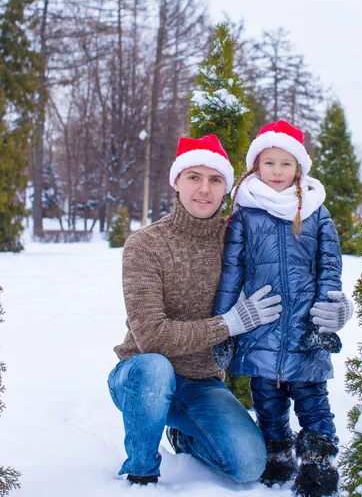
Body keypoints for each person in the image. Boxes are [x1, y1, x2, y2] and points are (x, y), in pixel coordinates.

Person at [107, 134, 284, 486]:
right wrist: (227, 324)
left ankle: (186, 437)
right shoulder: (145, 245)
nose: (204, 189)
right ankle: (141, 470)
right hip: (140, 377)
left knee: (249, 465)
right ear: (177, 182)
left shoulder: (239, 239)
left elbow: (285, 283)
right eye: (194, 177)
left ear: (226, 189)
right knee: (157, 368)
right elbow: (153, 337)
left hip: (201, 383)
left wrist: (331, 303)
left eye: (215, 180)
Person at [213, 120, 354, 497]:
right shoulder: (245, 214)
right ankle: (278, 455)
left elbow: (330, 265)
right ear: (256, 165)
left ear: (300, 169)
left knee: (313, 404)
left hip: (305, 330)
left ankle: (318, 465)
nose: (277, 172)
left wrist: (328, 311)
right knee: (268, 403)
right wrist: (224, 326)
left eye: (285, 164)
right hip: (262, 330)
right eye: (269, 163)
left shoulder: (316, 212)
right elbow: (231, 273)